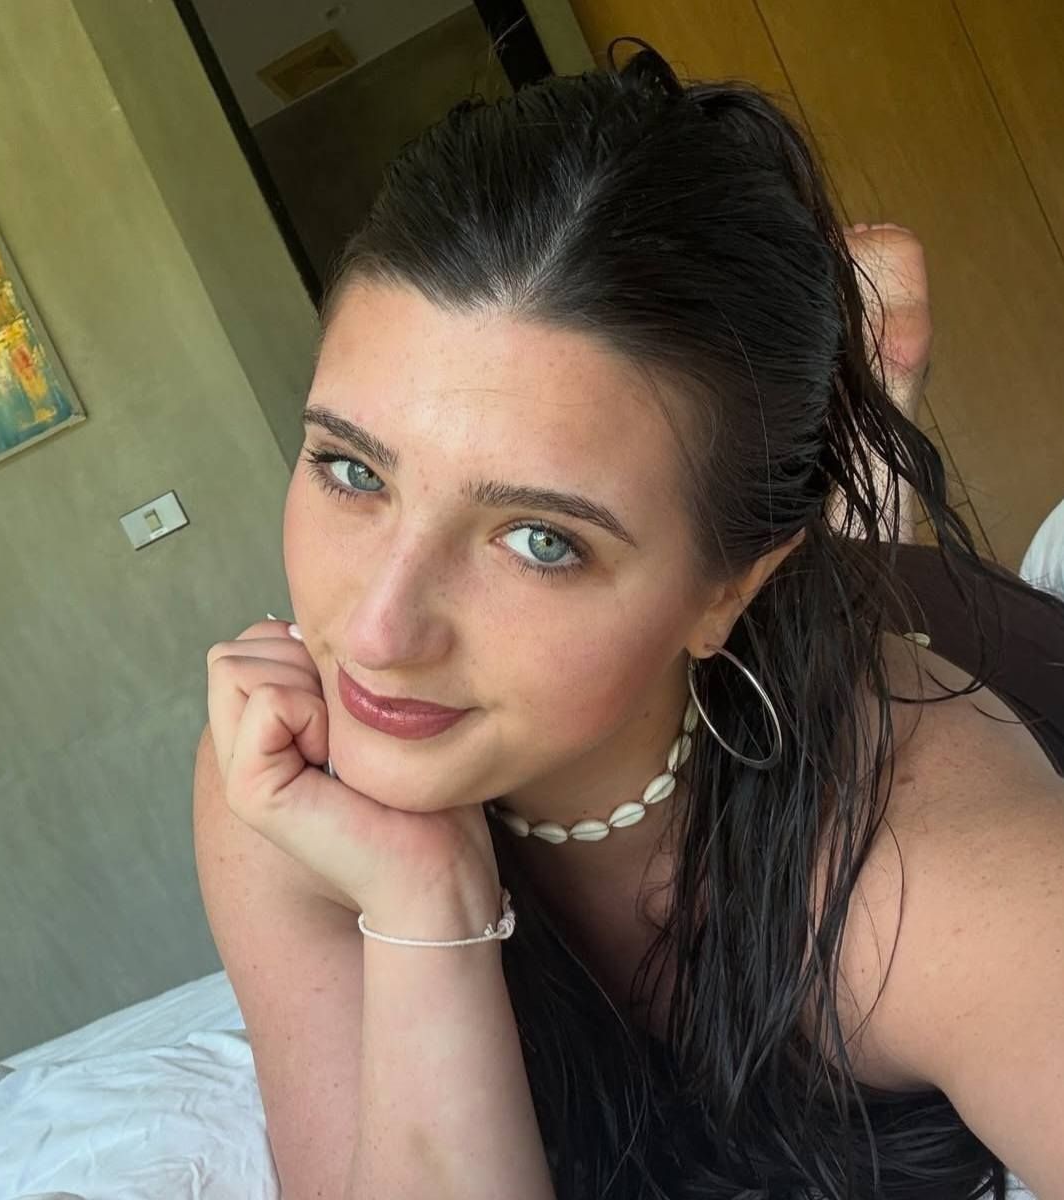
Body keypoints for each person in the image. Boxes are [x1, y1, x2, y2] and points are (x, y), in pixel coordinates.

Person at [200, 41, 1064, 1200]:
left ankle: (870, 433)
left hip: (988, 647)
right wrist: (424, 906)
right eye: (354, 470)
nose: (375, 636)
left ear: (727, 592)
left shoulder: (946, 881)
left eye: (541, 539)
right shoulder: (279, 765)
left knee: (888, 568)